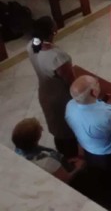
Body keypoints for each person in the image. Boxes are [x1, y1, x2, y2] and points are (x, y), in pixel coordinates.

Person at [65, 75, 111, 210]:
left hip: (91, 152)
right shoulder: (107, 116)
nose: (98, 84)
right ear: (93, 92)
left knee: (104, 183)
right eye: (96, 83)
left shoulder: (70, 106)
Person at [28, 18, 78, 157]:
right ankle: (72, 157)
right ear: (53, 31)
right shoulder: (57, 57)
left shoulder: (31, 45)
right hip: (61, 98)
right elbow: (70, 81)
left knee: (57, 127)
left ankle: (64, 155)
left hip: (45, 92)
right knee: (67, 130)